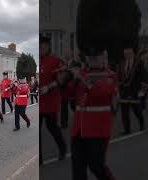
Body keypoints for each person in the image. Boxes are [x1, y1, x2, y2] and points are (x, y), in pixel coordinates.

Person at [71, 48, 116, 180]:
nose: (92, 60)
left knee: (96, 166)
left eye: (96, 57)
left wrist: (82, 79)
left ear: (103, 58)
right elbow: (69, 95)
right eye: (90, 58)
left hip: (98, 130)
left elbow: (101, 92)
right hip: (79, 130)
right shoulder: (82, 73)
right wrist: (64, 80)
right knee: (78, 171)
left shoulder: (110, 75)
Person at [40, 36, 67, 161]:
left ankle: (62, 148)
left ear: (48, 47)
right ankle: (39, 158)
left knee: (52, 128)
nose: (40, 49)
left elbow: (61, 79)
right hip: (39, 103)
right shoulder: (38, 61)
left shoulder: (55, 61)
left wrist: (48, 87)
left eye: (43, 46)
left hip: (50, 102)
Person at [118, 47, 147, 135]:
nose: (127, 55)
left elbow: (144, 76)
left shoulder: (138, 63)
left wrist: (142, 90)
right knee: (124, 112)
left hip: (134, 91)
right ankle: (127, 129)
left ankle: (141, 122)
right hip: (124, 91)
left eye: (128, 53)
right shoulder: (122, 63)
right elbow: (119, 75)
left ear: (132, 54)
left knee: (136, 110)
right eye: (125, 54)